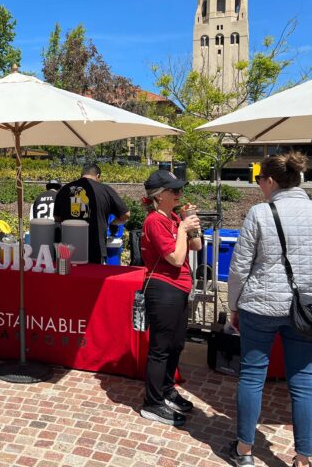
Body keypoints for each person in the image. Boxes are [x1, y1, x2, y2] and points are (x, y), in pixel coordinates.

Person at [227, 152, 312, 467]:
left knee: (252, 376)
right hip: (306, 309)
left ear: (271, 180)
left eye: (260, 181)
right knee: (302, 379)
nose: (259, 187)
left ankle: (244, 450)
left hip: (260, 306)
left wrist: (233, 305)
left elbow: (239, 268)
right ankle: (303, 458)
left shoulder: (260, 213)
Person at [138, 169, 202, 427]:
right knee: (160, 348)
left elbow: (195, 246)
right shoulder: (155, 221)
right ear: (161, 195)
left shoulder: (173, 217)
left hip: (179, 287)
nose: (179, 194)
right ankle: (152, 403)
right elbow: (175, 258)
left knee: (175, 344)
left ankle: (166, 390)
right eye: (174, 191)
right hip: (163, 288)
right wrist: (183, 229)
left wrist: (188, 222)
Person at [53, 164, 130, 264]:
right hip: (95, 248)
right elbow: (126, 215)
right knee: (93, 278)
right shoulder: (105, 190)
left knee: (69, 277)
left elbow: (57, 218)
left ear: (81, 174)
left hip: (69, 248)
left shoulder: (64, 190)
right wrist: (112, 223)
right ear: (98, 176)